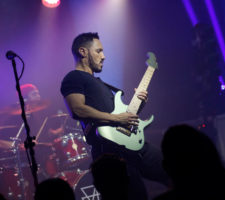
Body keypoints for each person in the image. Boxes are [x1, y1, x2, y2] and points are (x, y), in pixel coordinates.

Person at [60, 32, 169, 200]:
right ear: (83, 52)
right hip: (110, 153)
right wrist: (118, 119)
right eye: (98, 51)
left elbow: (125, 117)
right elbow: (77, 110)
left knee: (174, 171)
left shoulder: (102, 84)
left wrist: (139, 103)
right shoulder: (73, 78)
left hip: (133, 143)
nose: (103, 57)